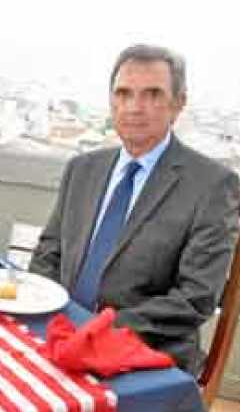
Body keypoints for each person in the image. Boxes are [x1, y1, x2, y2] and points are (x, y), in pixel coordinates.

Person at [29, 44, 240, 373]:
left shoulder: (212, 186)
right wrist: (50, 315)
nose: (134, 107)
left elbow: (196, 296)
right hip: (62, 334)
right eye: (123, 93)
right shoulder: (82, 168)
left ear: (178, 104)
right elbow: (48, 252)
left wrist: (97, 331)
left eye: (152, 94)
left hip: (142, 352)